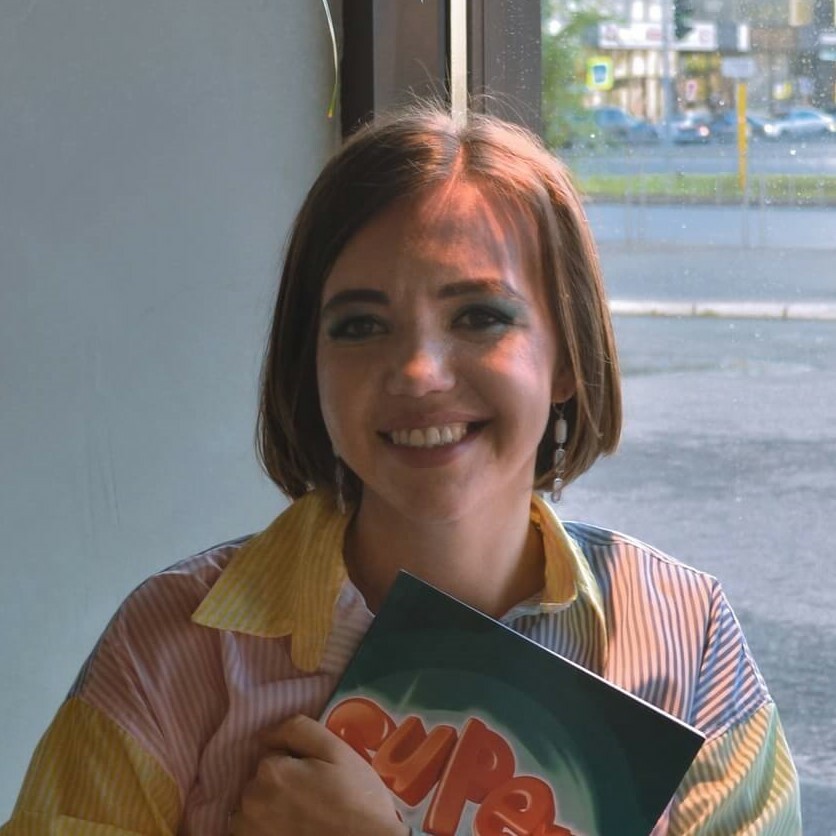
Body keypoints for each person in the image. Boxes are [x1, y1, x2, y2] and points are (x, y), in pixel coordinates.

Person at [2, 106, 801, 836]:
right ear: (308, 369)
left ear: (567, 357)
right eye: (360, 326)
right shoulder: (176, 644)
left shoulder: (687, 641)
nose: (418, 372)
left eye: (479, 316)